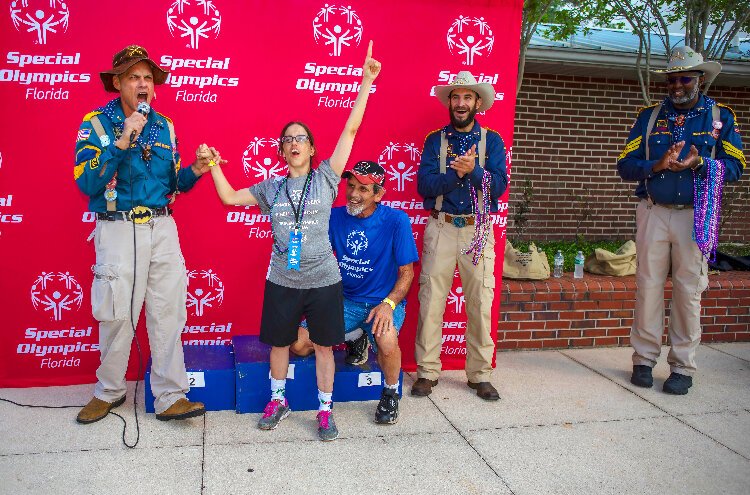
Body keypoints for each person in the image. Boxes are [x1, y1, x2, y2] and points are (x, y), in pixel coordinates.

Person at [207, 42, 381, 441]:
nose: (293, 142)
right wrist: (214, 166)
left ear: (312, 148)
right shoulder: (272, 188)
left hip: (323, 280)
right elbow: (230, 198)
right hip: (282, 279)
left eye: (300, 137)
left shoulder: (326, 177)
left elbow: (351, 129)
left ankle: (324, 410)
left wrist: (366, 81)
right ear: (282, 150)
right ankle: (278, 400)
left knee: (323, 346)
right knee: (279, 343)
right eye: (286, 139)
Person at [74, 45, 216, 423]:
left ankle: (171, 395)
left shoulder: (165, 125)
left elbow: (173, 184)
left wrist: (197, 171)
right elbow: (88, 182)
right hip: (118, 228)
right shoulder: (97, 123)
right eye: (134, 77)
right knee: (117, 313)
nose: (142, 84)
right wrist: (123, 141)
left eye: (148, 78)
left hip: (162, 226)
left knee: (169, 312)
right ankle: (109, 391)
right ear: (117, 82)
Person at [618, 46, 745, 395]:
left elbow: (736, 167)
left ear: (700, 80)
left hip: (696, 216)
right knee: (648, 288)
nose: (677, 85)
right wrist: (656, 166)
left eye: (684, 78)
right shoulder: (649, 117)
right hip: (653, 211)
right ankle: (643, 360)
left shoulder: (719, 117)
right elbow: (624, 166)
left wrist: (700, 163)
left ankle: (683, 366)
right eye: (672, 79)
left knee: (689, 292)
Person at [290, 161, 419, 424]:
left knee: (386, 341)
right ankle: (355, 336)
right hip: (346, 301)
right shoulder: (334, 216)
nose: (353, 194)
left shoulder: (396, 221)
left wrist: (389, 304)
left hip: (381, 303)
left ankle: (391, 393)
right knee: (299, 345)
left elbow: (407, 273)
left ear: (378, 194)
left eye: (363, 189)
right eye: (350, 186)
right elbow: (304, 243)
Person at [413, 71, 508, 401]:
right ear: (450, 102)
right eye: (456, 97)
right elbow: (423, 186)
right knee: (431, 300)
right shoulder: (434, 141)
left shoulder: (492, 141)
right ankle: (427, 371)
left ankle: (479, 374)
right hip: (440, 226)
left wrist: (475, 171)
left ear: (478, 103)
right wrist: (456, 174)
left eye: (468, 97)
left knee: (481, 301)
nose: (461, 103)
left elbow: (496, 188)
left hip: (478, 227)